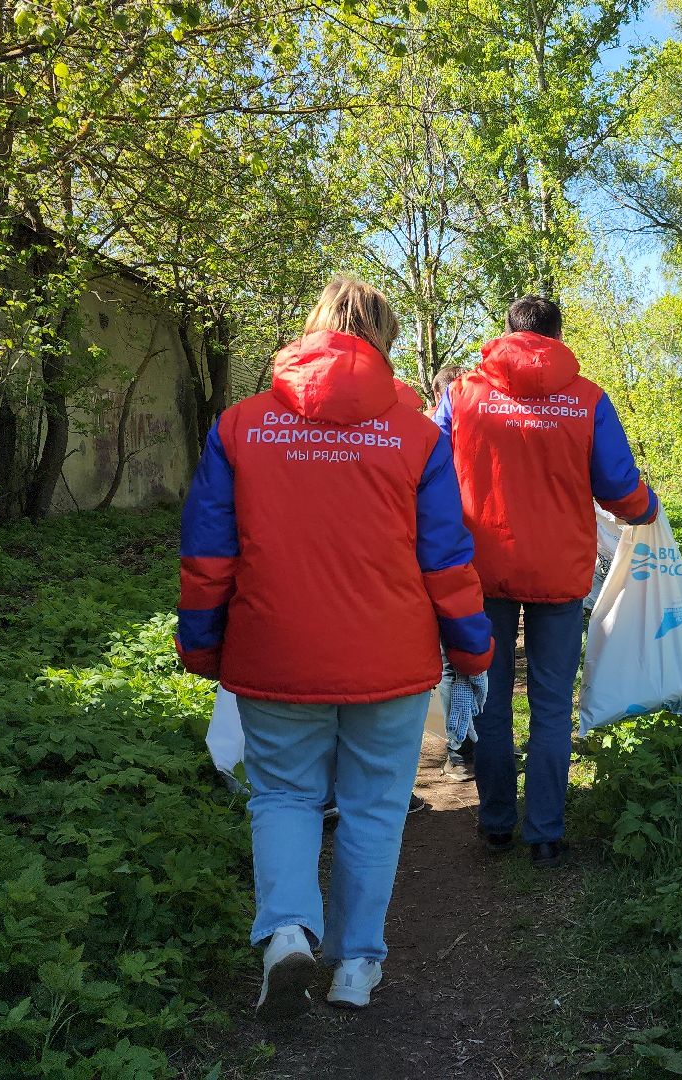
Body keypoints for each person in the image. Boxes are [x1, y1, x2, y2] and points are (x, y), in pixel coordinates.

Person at [177, 276, 493, 1018]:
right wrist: (473, 650)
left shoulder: (240, 426)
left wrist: (201, 645)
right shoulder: (417, 437)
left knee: (283, 795)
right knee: (375, 809)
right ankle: (355, 965)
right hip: (389, 661)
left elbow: (207, 556)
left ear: (309, 330)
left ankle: (287, 930)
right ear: (383, 340)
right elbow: (446, 561)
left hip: (273, 654)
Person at [433, 296, 657, 869]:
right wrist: (647, 509)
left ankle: (496, 824)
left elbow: (428, 472)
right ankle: (546, 835)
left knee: (492, 696)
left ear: (508, 333)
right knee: (553, 704)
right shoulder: (586, 400)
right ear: (556, 338)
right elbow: (618, 486)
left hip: (481, 571)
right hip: (560, 574)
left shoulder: (461, 396)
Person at [430, 363, 477, 784]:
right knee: (475, 658)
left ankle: (460, 750)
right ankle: (468, 746)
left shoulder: (427, 435)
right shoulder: (482, 424)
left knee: (451, 662)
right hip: (474, 552)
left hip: (445, 554)